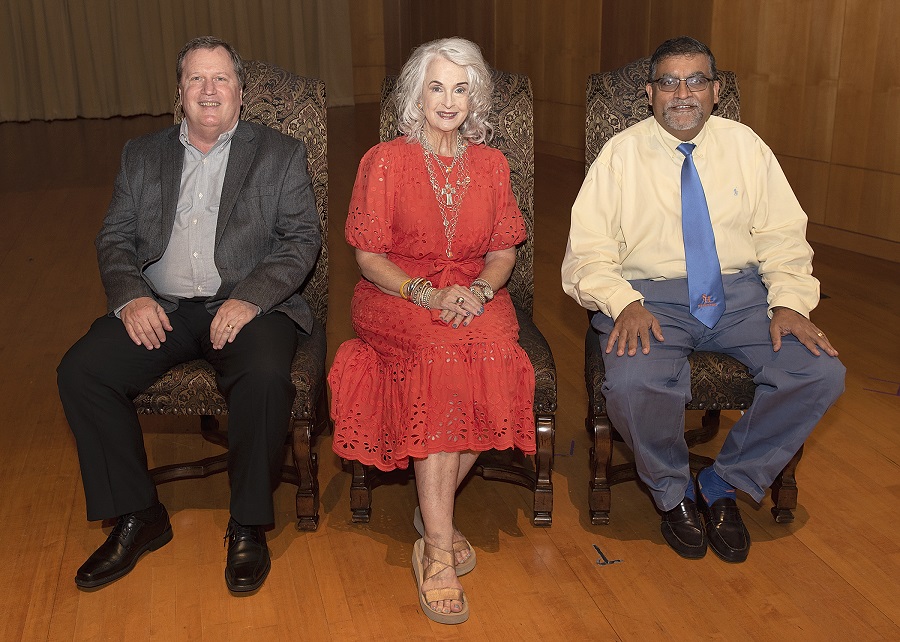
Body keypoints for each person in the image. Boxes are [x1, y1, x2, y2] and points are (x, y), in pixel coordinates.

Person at [562, 36, 845, 563]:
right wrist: (622, 302)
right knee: (631, 378)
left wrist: (788, 303)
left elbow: (783, 235)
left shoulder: (747, 147)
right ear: (650, 93)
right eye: (669, 81)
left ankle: (724, 481)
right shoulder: (620, 156)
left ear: (715, 92)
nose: (682, 93)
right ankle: (671, 493)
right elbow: (588, 252)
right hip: (651, 298)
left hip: (741, 297)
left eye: (696, 81)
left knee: (818, 372)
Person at [57, 36, 320, 592]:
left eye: (220, 78)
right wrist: (132, 295)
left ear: (239, 94)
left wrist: (251, 298)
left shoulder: (279, 154)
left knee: (266, 375)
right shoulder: (142, 154)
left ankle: (249, 524)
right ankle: (138, 515)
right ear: (178, 92)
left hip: (248, 305)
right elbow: (116, 238)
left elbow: (300, 239)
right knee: (82, 371)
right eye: (196, 79)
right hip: (165, 305)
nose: (208, 90)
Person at [328, 37, 535, 624]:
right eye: (436, 86)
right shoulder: (385, 160)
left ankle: (431, 509)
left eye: (461, 88)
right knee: (443, 362)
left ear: (476, 97)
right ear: (415, 94)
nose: (448, 100)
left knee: (496, 353)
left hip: (472, 295)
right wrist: (425, 293)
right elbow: (369, 257)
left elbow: (503, 251)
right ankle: (438, 548)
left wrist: (479, 292)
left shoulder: (492, 165)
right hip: (398, 294)